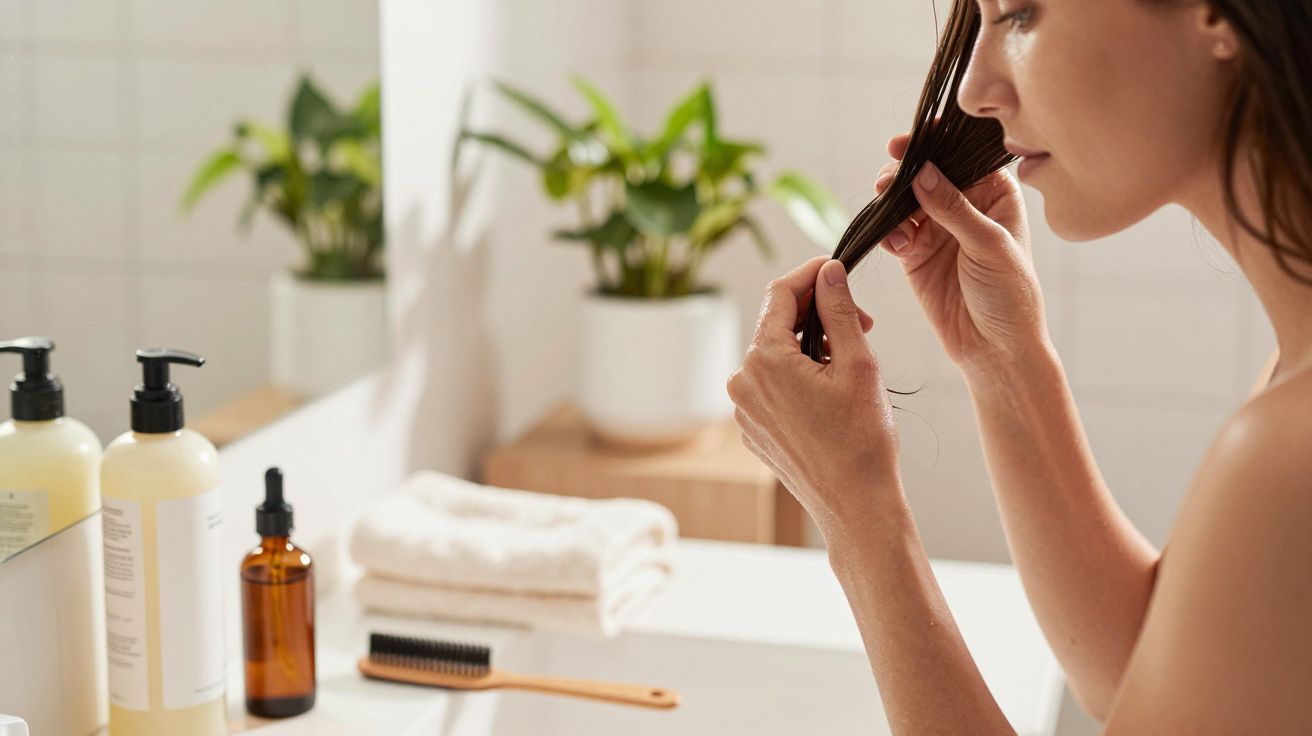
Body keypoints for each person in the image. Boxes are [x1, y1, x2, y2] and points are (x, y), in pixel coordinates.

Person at [725, 0, 1312, 732]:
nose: (972, 90)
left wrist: (859, 517)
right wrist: (1004, 362)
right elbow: (1157, 681)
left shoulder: (1290, 452)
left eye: (1021, 14)